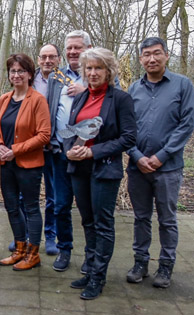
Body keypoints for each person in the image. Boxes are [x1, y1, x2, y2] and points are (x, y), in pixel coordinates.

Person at [65, 47, 136, 299]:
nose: (92, 73)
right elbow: (71, 130)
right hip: (79, 169)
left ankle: (98, 277)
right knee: (87, 221)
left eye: (98, 68)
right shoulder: (81, 97)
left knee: (103, 223)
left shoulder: (120, 99)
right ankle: (90, 268)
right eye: (88, 68)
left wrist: (93, 152)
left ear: (109, 71)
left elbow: (128, 137)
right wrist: (70, 150)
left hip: (104, 169)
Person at [126, 37, 194, 288]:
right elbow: (127, 128)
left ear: (166, 55)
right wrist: (137, 156)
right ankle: (140, 262)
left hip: (168, 168)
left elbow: (186, 124)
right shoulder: (133, 89)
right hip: (137, 166)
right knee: (141, 218)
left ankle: (165, 266)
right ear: (141, 58)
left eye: (157, 53)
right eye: (146, 54)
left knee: (167, 219)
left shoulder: (182, 85)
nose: (151, 59)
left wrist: (160, 156)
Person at [0, 53, 51, 271]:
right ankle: (19, 249)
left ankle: (33, 253)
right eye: (13, 71)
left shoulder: (37, 100)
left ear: (29, 74)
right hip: (5, 164)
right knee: (11, 207)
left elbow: (44, 135)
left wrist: (15, 151)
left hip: (29, 165)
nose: (16, 75)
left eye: (21, 71)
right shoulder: (4, 99)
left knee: (30, 208)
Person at [46, 30, 92, 272]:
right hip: (60, 152)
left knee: (88, 208)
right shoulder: (57, 77)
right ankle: (65, 250)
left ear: (88, 47)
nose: (73, 52)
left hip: (88, 153)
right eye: (69, 48)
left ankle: (91, 254)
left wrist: (85, 89)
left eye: (78, 47)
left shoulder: (98, 75)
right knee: (61, 205)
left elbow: (111, 105)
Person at [33, 44, 62, 256]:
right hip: (30, 146)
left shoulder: (64, 81)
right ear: (38, 59)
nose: (47, 61)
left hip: (54, 147)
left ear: (59, 59)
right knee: (28, 195)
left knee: (54, 195)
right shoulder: (27, 79)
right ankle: (25, 235)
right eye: (44, 57)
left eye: (52, 57)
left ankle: (51, 235)